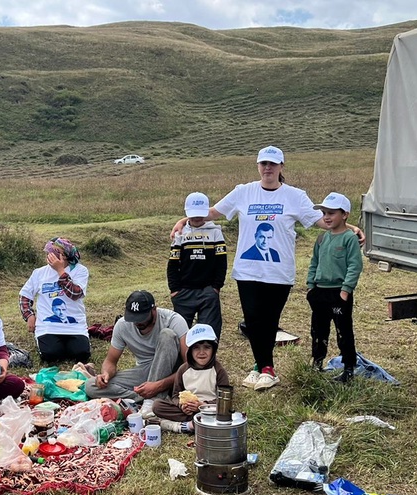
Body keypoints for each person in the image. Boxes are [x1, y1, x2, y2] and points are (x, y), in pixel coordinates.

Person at [172, 145, 363, 391]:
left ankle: (263, 367)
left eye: (273, 164)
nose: (267, 168)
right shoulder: (244, 192)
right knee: (252, 322)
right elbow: (211, 213)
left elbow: (324, 221)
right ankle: (264, 367)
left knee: (270, 321)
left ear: (281, 167)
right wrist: (184, 220)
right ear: (258, 166)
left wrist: (352, 228)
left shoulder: (294, 196)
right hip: (247, 271)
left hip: (278, 273)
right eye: (263, 164)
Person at [83, 290, 188, 417]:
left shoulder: (173, 320)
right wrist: (105, 374)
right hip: (145, 371)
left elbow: (189, 366)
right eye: (134, 319)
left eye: (142, 318)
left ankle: (152, 399)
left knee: (167, 334)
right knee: (91, 386)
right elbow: (110, 361)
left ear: (154, 310)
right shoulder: (122, 325)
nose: (138, 322)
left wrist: (158, 385)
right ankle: (149, 399)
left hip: (173, 372)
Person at [306, 192, 363, 384]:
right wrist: (311, 286)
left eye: (331, 212)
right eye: (324, 213)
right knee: (318, 330)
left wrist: (345, 290)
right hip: (320, 291)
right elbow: (314, 262)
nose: (327, 217)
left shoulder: (349, 238)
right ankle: (317, 362)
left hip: (339, 292)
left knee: (343, 331)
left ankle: (348, 368)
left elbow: (355, 266)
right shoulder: (322, 238)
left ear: (345, 214)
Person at [19, 237, 91, 364]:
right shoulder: (39, 273)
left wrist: (60, 271)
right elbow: (25, 295)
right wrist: (29, 315)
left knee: (81, 354)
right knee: (51, 355)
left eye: (56, 252)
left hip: (75, 327)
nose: (50, 255)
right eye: (49, 251)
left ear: (65, 256)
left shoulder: (80, 271)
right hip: (48, 327)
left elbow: (76, 293)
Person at [167, 192, 227, 339]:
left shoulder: (215, 232)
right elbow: (173, 263)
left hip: (208, 291)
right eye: (193, 214)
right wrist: (175, 290)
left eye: (200, 214)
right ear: (187, 212)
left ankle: (206, 362)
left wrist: (216, 287)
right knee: (179, 336)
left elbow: (221, 263)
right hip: (184, 292)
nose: (197, 217)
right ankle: (182, 362)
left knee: (209, 335)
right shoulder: (180, 233)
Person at [152, 323, 230, 433]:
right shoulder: (183, 370)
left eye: (207, 347)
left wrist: (203, 405)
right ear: (190, 350)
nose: (202, 352)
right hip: (187, 411)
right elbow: (175, 395)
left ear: (214, 349)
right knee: (157, 406)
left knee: (224, 411)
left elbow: (224, 399)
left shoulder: (218, 370)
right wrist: (182, 405)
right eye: (196, 348)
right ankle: (194, 423)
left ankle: (187, 425)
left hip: (209, 409)